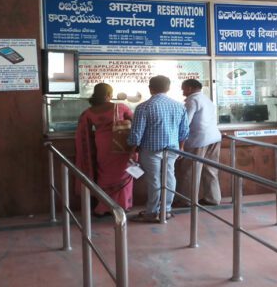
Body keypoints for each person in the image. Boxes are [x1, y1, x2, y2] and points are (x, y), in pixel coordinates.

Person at [127, 75, 189, 222]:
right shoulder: (179, 106)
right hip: (172, 149)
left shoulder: (144, 107)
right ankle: (166, 210)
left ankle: (152, 211)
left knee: (154, 180)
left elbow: (137, 133)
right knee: (169, 178)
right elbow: (184, 131)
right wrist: (181, 148)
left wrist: (132, 150)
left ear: (150, 88)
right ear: (168, 88)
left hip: (150, 150)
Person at [75, 83, 135, 215]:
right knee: (122, 173)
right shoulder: (120, 107)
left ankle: (103, 207)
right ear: (109, 95)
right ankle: (122, 205)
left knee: (103, 172)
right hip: (120, 144)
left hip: (101, 144)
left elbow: (83, 133)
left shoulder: (89, 112)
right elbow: (134, 122)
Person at [176, 79, 222, 206]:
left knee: (191, 171)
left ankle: (187, 200)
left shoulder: (192, 100)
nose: (182, 91)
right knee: (211, 170)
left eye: (183, 88)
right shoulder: (206, 99)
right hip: (214, 138)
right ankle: (213, 198)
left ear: (190, 88)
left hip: (198, 140)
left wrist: (181, 143)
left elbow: (185, 124)